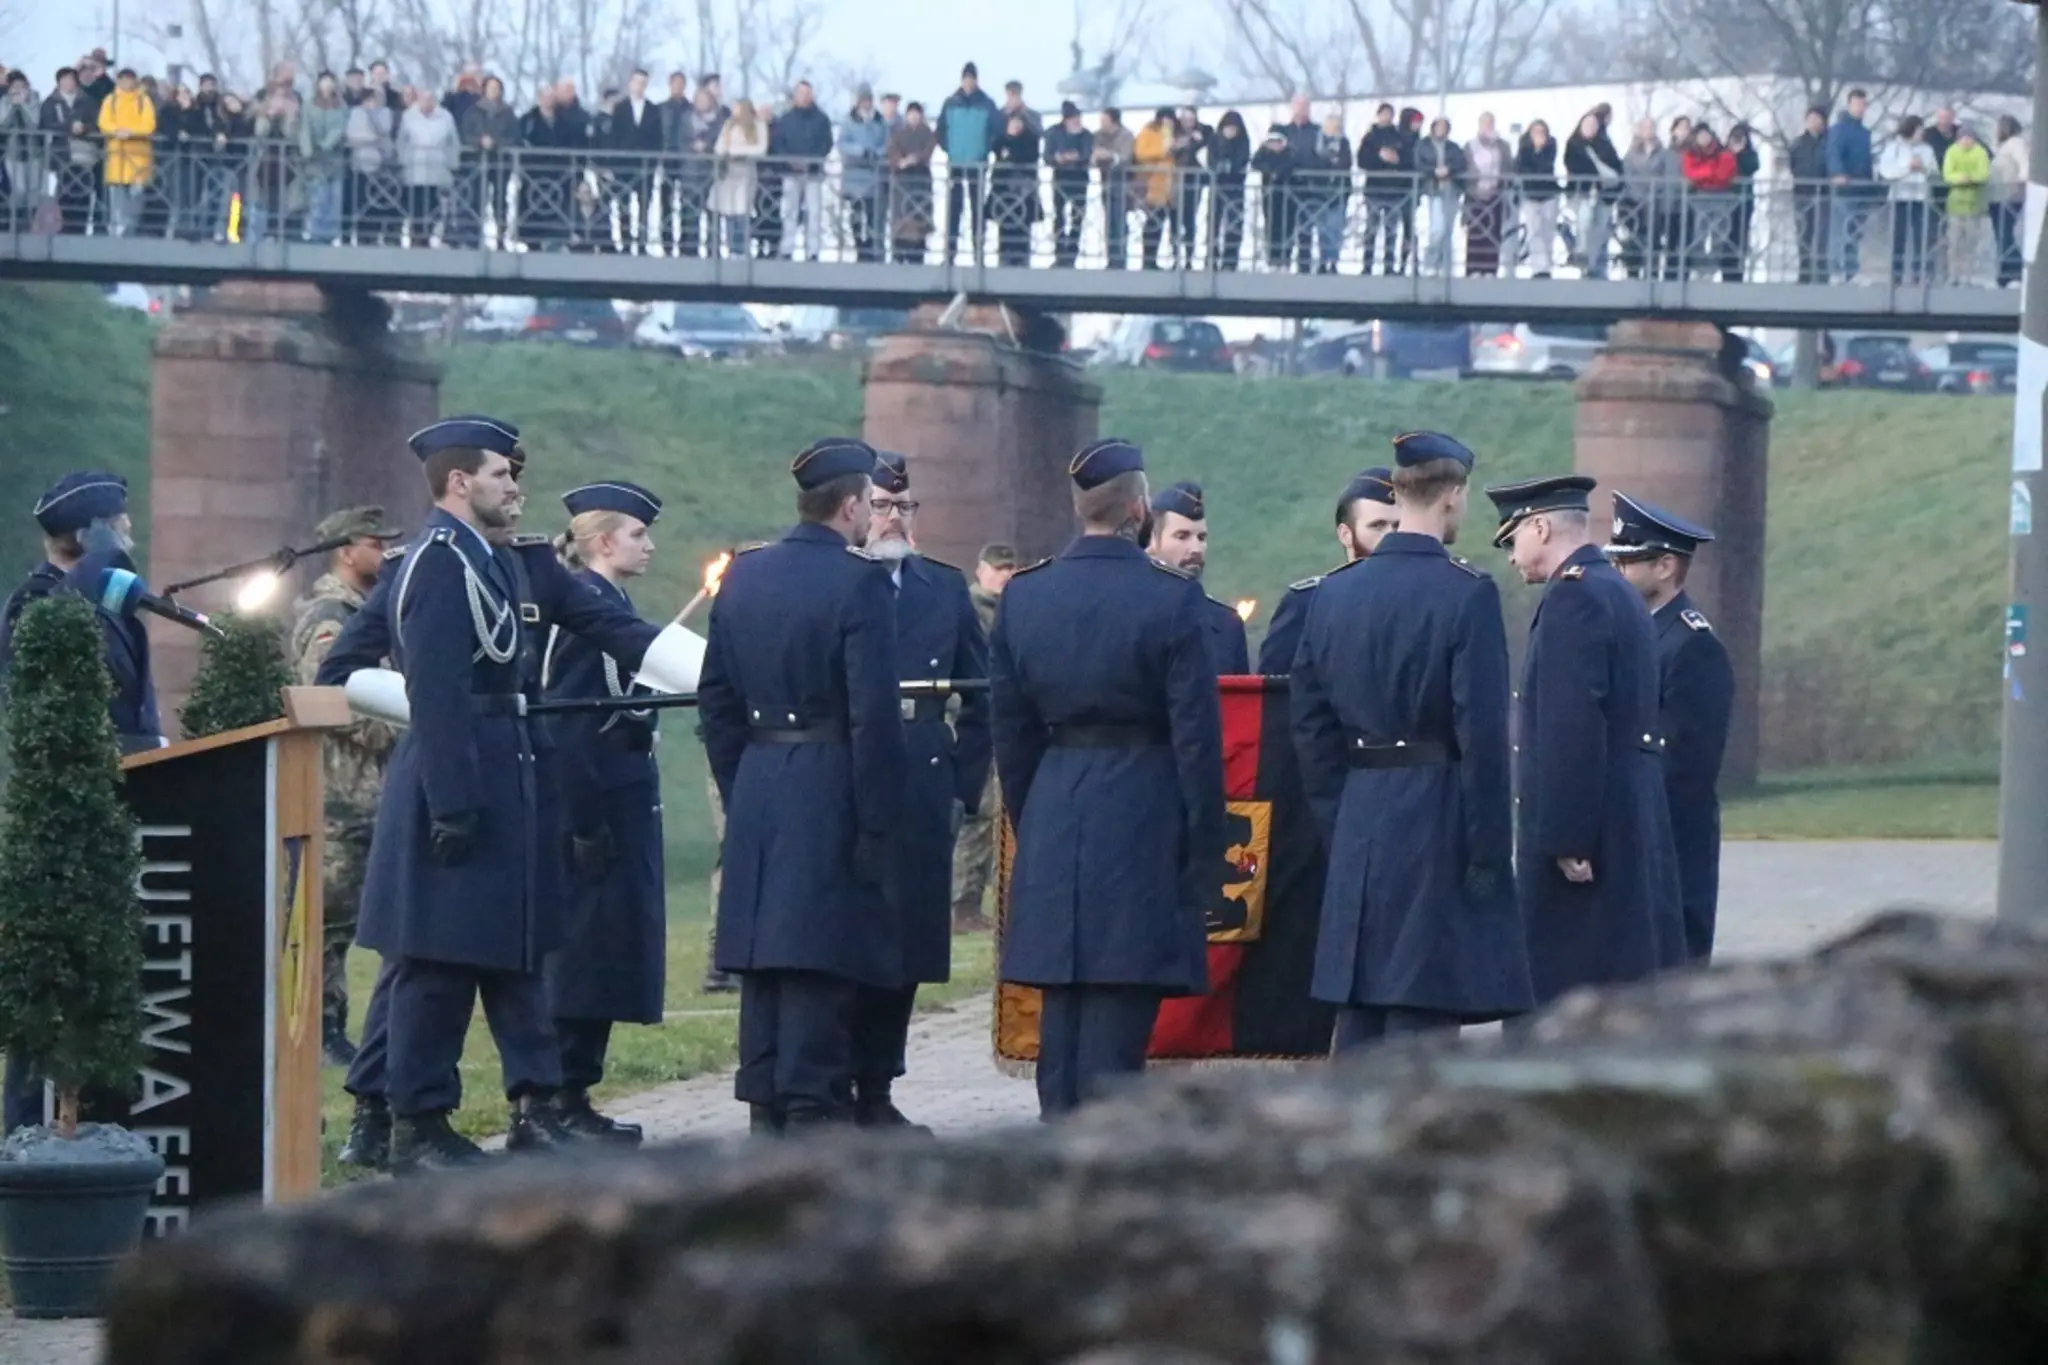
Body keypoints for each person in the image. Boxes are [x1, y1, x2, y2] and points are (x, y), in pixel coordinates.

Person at [362, 415, 665, 1172]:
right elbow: (431, 689)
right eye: (503, 474)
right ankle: (417, 1127)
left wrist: (726, 665)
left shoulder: (499, 558)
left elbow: (607, 626)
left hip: (510, 769)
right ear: (460, 482)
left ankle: (536, 1106)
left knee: (520, 953)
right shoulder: (435, 562)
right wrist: (454, 802)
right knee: (436, 965)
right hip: (456, 775)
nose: (516, 488)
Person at [991, 439, 1224, 1118]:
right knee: (1119, 1011)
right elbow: (1196, 739)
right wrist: (1204, 849)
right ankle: (1098, 1160)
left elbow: (1013, 732)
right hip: (1143, 807)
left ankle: (1055, 1139)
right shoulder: (1170, 600)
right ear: (1139, 508)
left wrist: (1036, 817)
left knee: (1062, 1007)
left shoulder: (1026, 597)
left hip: (1058, 801)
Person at [1291, 433, 1530, 1050]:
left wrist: (1338, 818)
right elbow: (1479, 733)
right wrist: (1485, 849)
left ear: (1397, 494)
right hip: (1437, 813)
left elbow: (1311, 727)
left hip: (1362, 811)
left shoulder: (1333, 595)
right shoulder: (1465, 593)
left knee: (1361, 1011)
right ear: (1453, 496)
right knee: (1423, 1009)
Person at [697, 438, 907, 1132]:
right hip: (831, 775)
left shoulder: (745, 577)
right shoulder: (860, 582)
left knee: (764, 951)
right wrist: (878, 819)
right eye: (869, 504)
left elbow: (717, 701)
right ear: (850, 505)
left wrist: (744, 780)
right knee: (820, 948)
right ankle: (812, 1099)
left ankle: (763, 1093)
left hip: (761, 771)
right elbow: (872, 713)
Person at [1, 472, 165, 1132]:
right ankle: (24, 1132)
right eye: (117, 523)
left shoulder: (112, 602)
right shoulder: (38, 604)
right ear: (86, 532)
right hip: (70, 828)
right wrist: (99, 563)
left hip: (134, 800)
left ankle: (102, 1116)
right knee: (57, 988)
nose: (129, 533)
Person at [1485, 474, 1683, 1005]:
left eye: (1512, 540)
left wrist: (1567, 835)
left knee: (1564, 979)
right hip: (1625, 812)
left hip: (1590, 832)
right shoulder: (1614, 590)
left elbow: (1573, 724)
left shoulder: (1575, 598)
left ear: (1541, 527)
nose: (1511, 557)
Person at [850, 453, 990, 1129]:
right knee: (847, 932)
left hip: (923, 774)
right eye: (880, 505)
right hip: (848, 776)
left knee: (905, 941)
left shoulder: (943, 586)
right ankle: (832, 1080)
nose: (893, 519)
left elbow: (980, 691)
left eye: (904, 508)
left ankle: (878, 1084)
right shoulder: (841, 582)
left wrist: (963, 781)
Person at [540, 481, 669, 1143]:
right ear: (602, 541)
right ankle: (560, 1097)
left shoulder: (610, 600)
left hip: (620, 796)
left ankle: (576, 1092)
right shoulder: (583, 608)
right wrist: (584, 820)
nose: (648, 545)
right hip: (592, 806)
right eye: (638, 534)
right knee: (584, 959)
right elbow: (568, 722)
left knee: (608, 955)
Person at [290, 506, 405, 1067]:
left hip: (366, 792)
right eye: (375, 545)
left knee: (346, 920)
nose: (385, 555)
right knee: (325, 923)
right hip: (339, 792)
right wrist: (402, 726)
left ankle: (333, 1028)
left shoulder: (364, 610)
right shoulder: (330, 616)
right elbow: (333, 698)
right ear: (345, 551)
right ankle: (322, 1029)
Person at [1605, 493, 1734, 964]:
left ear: (1664, 567)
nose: (1617, 572)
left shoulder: (1691, 646)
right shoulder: (1639, 634)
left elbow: (1685, 769)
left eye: (1630, 561)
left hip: (1671, 849)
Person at [1257, 467, 1398, 675]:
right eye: (1378, 526)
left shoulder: (1427, 600)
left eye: (1398, 526)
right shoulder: (1307, 603)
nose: (1391, 537)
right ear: (1345, 534)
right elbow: (1275, 693)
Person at [951, 543, 1016, 932]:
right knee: (978, 815)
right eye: (998, 567)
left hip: (998, 722)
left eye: (1010, 567)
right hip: (973, 723)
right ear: (980, 570)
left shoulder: (1009, 613)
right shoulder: (972, 611)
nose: (1005, 574)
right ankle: (963, 904)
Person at [1143, 480, 1248, 676]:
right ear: (1151, 541)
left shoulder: (1226, 624)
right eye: (1182, 536)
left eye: (1201, 538)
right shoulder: (1130, 615)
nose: (1196, 549)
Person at [937, 63, 998, 264]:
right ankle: (950, 252)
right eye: (966, 78)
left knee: (977, 210)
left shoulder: (987, 103)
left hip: (977, 164)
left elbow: (994, 132)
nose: (969, 82)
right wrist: (950, 150)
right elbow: (940, 131)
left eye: (972, 78)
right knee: (954, 209)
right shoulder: (950, 103)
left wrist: (983, 151)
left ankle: (978, 253)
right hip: (955, 162)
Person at [1879, 114, 1939, 286]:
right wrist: (1908, 168)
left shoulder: (1927, 150)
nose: (1922, 134)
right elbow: (1886, 172)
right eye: (1919, 130)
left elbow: (1934, 173)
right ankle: (1896, 276)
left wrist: (1924, 169)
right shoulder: (1893, 148)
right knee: (1899, 238)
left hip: (1920, 199)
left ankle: (1919, 274)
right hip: (1900, 198)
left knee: (1922, 238)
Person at [776, 80, 832, 261]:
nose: (804, 97)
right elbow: (778, 142)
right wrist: (790, 161)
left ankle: (813, 250)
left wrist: (812, 161)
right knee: (790, 211)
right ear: (795, 95)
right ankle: (787, 248)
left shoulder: (822, 119)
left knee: (814, 212)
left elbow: (826, 143)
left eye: (807, 93)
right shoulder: (785, 118)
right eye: (801, 93)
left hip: (813, 172)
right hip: (790, 172)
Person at [97, 68, 155, 238]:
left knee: (136, 197)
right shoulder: (111, 100)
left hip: (139, 156)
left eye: (129, 79)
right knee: (117, 197)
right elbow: (103, 123)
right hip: (116, 156)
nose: (126, 83)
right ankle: (117, 229)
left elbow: (149, 125)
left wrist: (130, 132)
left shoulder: (144, 101)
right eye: (123, 79)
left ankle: (131, 229)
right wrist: (117, 131)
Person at [1827, 88, 1877, 283]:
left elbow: (1866, 160)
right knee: (1841, 229)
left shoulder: (1864, 133)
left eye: (1863, 105)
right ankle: (1837, 270)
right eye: (1857, 104)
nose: (1860, 108)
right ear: (1849, 105)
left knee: (1855, 230)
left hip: (1862, 187)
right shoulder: (1839, 129)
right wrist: (1837, 173)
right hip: (1845, 187)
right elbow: (1834, 152)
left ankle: (1852, 271)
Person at [711, 99, 768, 258]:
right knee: (729, 212)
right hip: (728, 173)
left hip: (746, 173)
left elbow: (760, 149)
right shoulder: (729, 125)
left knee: (742, 212)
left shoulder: (758, 125)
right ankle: (731, 249)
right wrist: (726, 152)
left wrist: (736, 151)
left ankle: (742, 249)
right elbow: (719, 147)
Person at [1358, 103, 1409, 276]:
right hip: (1374, 189)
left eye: (1390, 114)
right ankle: (1367, 265)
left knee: (1391, 231)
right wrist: (1378, 157)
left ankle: (1389, 265)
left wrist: (1397, 159)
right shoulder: (1370, 137)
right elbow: (1361, 161)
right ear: (1378, 115)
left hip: (1394, 191)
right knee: (1371, 229)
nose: (1386, 117)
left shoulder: (1399, 136)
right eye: (1384, 114)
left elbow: (1407, 161)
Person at [840, 85, 888, 263]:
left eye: (869, 100)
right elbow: (842, 144)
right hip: (854, 177)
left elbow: (886, 143)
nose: (866, 103)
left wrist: (877, 153)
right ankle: (860, 248)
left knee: (873, 216)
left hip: (873, 178)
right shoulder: (849, 121)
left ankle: (872, 250)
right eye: (863, 100)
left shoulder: (879, 121)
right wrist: (860, 151)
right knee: (856, 216)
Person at [885, 101, 937, 264]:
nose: (914, 117)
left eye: (917, 114)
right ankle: (899, 254)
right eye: (911, 114)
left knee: (919, 219)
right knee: (901, 219)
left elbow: (928, 150)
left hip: (921, 180)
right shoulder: (898, 133)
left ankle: (917, 254)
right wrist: (900, 161)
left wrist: (915, 158)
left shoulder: (927, 133)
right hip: (902, 181)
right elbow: (891, 150)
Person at [987, 110, 1041, 267]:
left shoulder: (1030, 140)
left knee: (1023, 225)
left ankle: (1023, 258)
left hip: (1024, 189)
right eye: (1012, 123)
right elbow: (996, 149)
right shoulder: (1001, 140)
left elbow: (1030, 157)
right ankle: (1004, 256)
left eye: (1018, 123)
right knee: (1005, 224)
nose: (1015, 127)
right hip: (1003, 189)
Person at [1941, 125, 1992, 286]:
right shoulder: (1952, 151)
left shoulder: (1980, 152)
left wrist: (1969, 178)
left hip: (1974, 205)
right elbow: (1947, 174)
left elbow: (1984, 174)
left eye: (1969, 138)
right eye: (1963, 138)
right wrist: (1959, 179)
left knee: (1970, 243)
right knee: (1954, 243)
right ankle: (1953, 275)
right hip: (1955, 205)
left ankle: (1968, 277)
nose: (1966, 141)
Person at [1044, 101, 1093, 268]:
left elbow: (1087, 154)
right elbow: (1047, 156)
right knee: (1059, 215)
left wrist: (1076, 156)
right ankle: (1059, 251)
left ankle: (1072, 252)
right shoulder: (1054, 132)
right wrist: (1058, 158)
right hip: (1060, 178)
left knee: (1077, 216)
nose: (1076, 121)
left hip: (1079, 178)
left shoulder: (1085, 134)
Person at [1414, 117, 1465, 276]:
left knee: (1448, 230)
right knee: (1437, 229)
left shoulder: (1453, 147)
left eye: (1445, 127)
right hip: (1433, 190)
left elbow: (1461, 163)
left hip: (1451, 191)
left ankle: (1445, 266)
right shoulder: (1424, 145)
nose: (1441, 130)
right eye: (1439, 127)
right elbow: (1419, 164)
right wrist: (1434, 171)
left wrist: (1448, 170)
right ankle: (1431, 263)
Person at [1463, 113, 1509, 277]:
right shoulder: (1470, 145)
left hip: (1496, 194)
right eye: (1484, 123)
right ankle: (1473, 268)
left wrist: (1501, 184)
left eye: (1490, 123)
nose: (1487, 126)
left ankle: (1490, 269)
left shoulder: (1502, 146)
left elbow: (1507, 167)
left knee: (1494, 232)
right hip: (1475, 195)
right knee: (1475, 232)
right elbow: (1466, 166)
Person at [1788, 107, 1830, 283]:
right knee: (1804, 234)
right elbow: (1793, 165)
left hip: (1824, 195)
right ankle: (1803, 274)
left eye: (1817, 118)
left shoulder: (1829, 142)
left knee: (1822, 236)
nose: (1814, 122)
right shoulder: (1798, 143)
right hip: (1803, 194)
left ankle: (1821, 274)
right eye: (1811, 118)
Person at [1514, 119, 1560, 277]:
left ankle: (1547, 266)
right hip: (1530, 194)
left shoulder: (1551, 146)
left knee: (1548, 231)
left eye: (1542, 132)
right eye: (1536, 132)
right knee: (1534, 231)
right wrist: (1534, 150)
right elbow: (1521, 168)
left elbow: (1546, 167)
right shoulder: (1524, 149)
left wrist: (1540, 149)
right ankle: (1539, 268)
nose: (1539, 135)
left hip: (1549, 194)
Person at [1092, 108, 1134, 268]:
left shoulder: (1126, 135)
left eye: (1104, 120)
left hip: (1123, 185)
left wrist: (1109, 155)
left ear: (1113, 120)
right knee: (1109, 223)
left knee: (1120, 223)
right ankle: (1111, 258)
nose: (1101, 124)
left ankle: (1120, 259)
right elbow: (1093, 155)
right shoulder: (1098, 135)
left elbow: (1126, 156)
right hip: (1105, 185)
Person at [1993, 116, 2028, 288]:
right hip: (1998, 196)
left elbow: (2025, 166)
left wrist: (2020, 187)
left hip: (2009, 195)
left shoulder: (2016, 143)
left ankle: (2014, 270)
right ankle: (2005, 271)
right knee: (2002, 234)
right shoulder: (2003, 146)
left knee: (2006, 234)